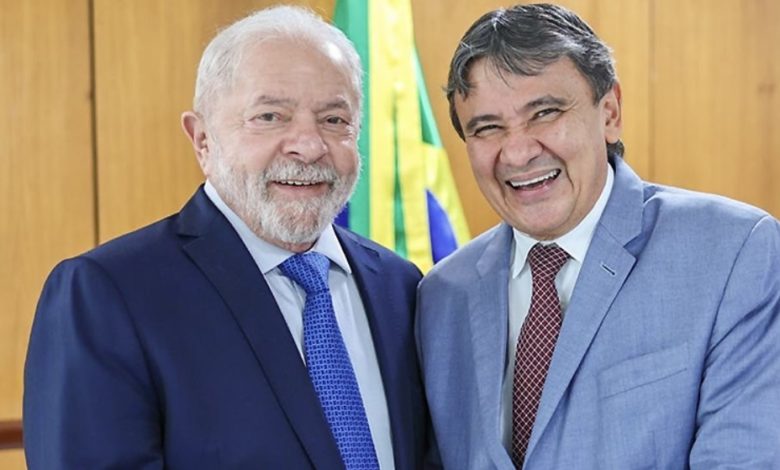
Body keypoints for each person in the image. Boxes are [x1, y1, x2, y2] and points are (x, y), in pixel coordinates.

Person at [24, 6, 430, 469]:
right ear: (202, 139)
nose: (309, 145)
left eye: (334, 120)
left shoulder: (400, 286)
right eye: (270, 116)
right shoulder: (107, 294)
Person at [416, 3, 780, 469]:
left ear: (609, 113)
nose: (518, 152)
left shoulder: (733, 252)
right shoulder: (441, 295)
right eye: (487, 128)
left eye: (544, 112)